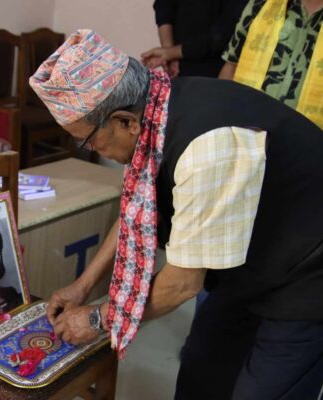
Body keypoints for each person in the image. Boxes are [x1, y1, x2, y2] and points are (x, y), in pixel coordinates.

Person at [29, 29, 323, 400]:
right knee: (202, 369)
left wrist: (98, 318)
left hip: (308, 269)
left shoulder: (207, 148)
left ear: (124, 121)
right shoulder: (155, 107)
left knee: (264, 391)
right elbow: (135, 211)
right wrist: (83, 284)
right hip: (251, 260)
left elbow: (183, 283)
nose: (90, 150)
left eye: (86, 140)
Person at [219, 0, 323, 128]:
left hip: (310, 136)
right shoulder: (260, 4)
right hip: (245, 129)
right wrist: (218, 120)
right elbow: (231, 66)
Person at [140, 0, 247, 77]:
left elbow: (222, 35)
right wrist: (169, 53)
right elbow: (163, 6)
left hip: (218, 70)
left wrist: (169, 53)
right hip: (181, 69)